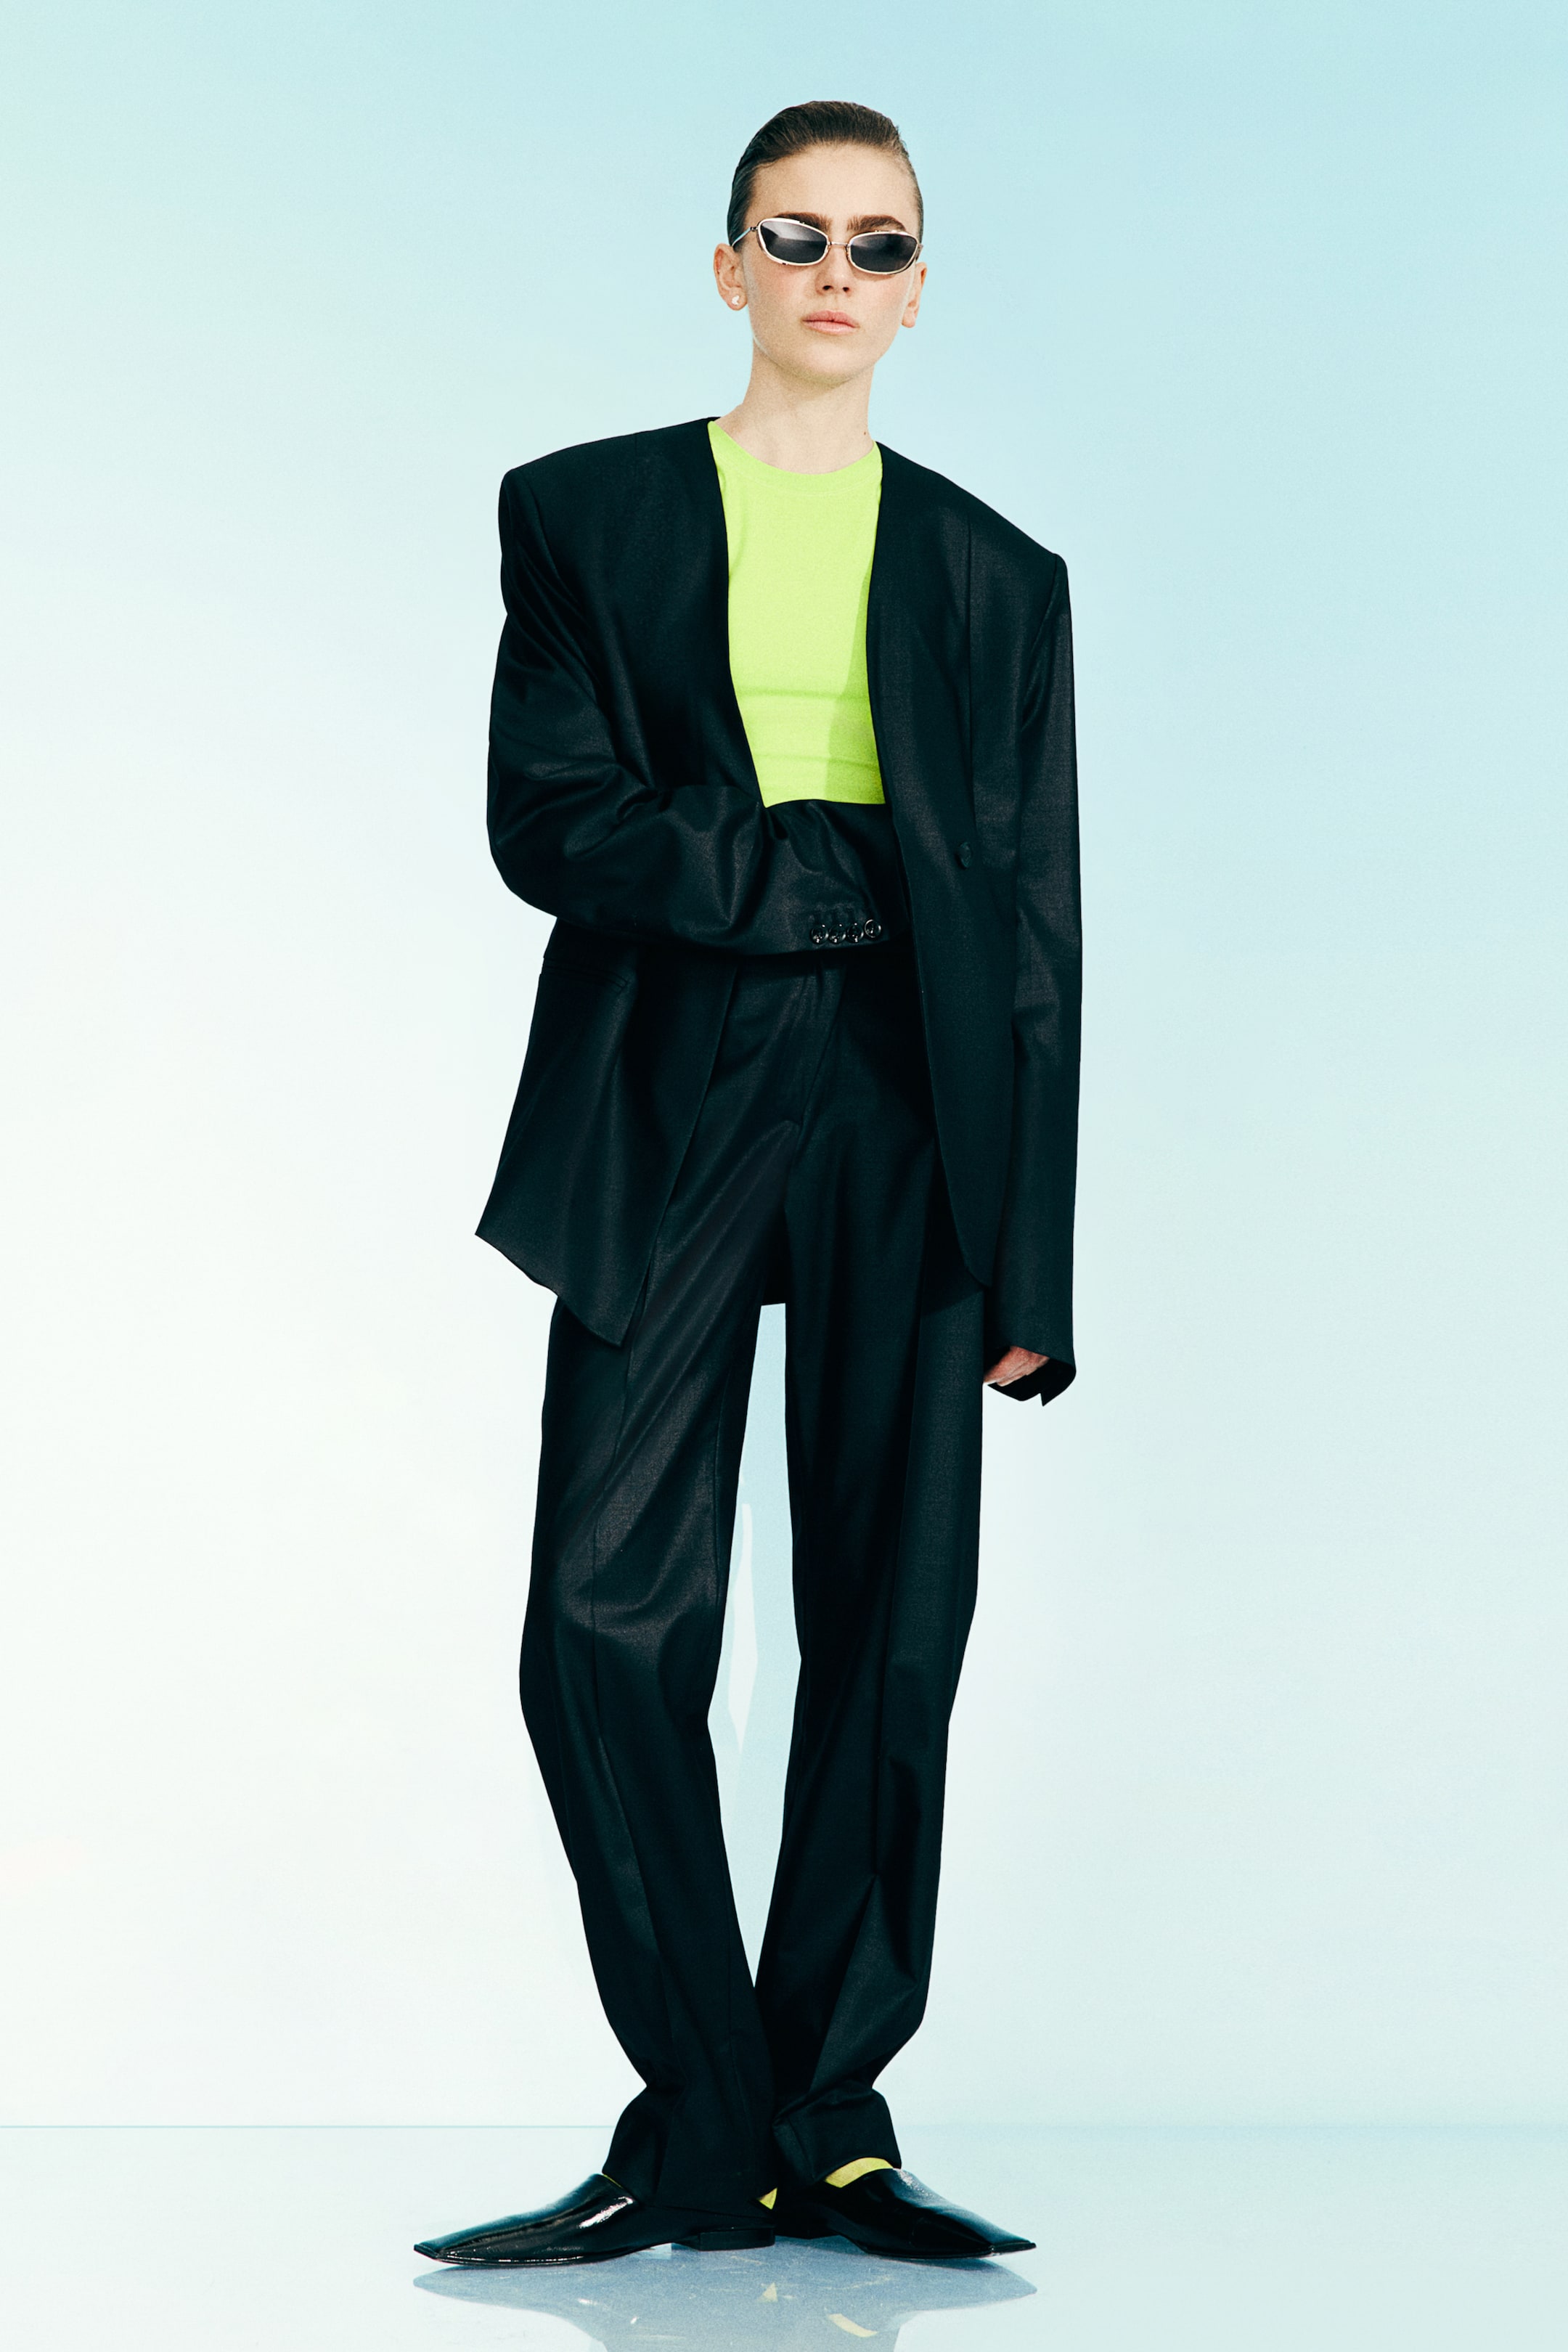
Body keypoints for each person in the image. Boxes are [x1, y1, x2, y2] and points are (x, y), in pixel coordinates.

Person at [416, 98, 1080, 2271]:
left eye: (877, 245)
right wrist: (806, 872)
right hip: (676, 1072)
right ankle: (700, 2120)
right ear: (730, 268)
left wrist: (1036, 1261)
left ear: (916, 289)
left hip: (915, 1092)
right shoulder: (584, 515)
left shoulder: (998, 577)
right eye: (794, 237)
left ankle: (829, 2117)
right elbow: (551, 815)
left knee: (893, 1623)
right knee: (601, 1623)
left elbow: (1037, 935)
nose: (833, 275)